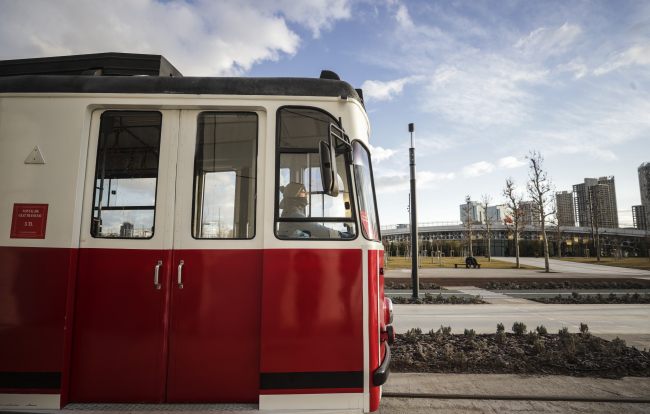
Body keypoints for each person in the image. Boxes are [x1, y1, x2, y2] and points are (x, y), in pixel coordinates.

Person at [277, 182, 350, 239]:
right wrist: (343, 236)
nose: (306, 193)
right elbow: (314, 228)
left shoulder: (291, 209)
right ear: (293, 193)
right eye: (303, 190)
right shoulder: (292, 212)